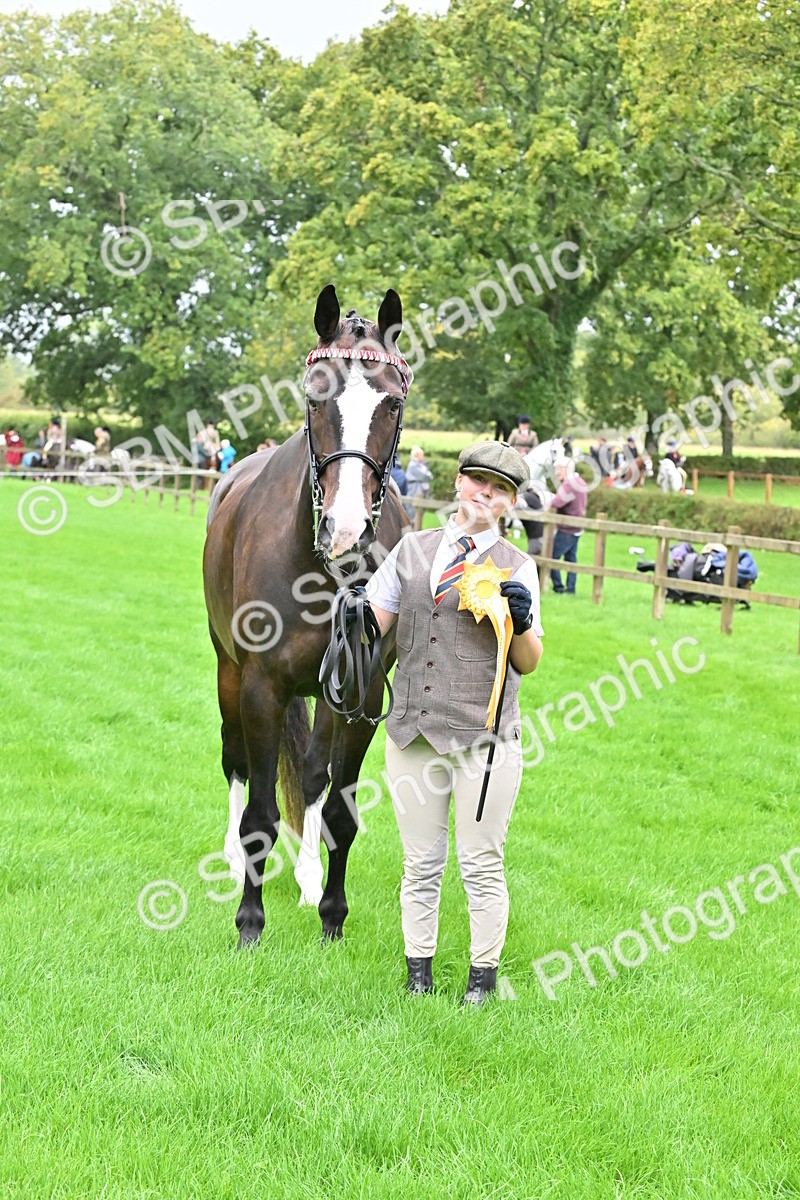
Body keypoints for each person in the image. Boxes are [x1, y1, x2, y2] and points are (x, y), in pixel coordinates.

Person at [365, 441, 544, 1006]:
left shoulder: (519, 567)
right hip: (412, 732)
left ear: (510, 503)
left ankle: (481, 980)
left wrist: (521, 620)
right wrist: (348, 604)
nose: (484, 495)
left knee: (480, 862)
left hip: (484, 740)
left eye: (499, 490)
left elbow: (528, 662)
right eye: (477, 482)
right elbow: (376, 623)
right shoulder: (412, 550)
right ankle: (418, 973)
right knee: (420, 862)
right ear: (459, 482)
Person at [547, 464, 587, 594]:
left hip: (567, 527)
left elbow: (557, 502)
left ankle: (558, 588)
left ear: (566, 468)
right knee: (571, 559)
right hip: (577, 526)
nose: (557, 472)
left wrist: (547, 501)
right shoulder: (580, 481)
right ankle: (571, 589)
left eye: (558, 469)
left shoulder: (569, 484)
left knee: (552, 557)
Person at [405, 444, 432, 523]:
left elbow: (429, 475)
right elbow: (425, 476)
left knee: (420, 511)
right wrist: (427, 475)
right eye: (422, 455)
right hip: (415, 490)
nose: (423, 457)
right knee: (413, 511)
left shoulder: (420, 465)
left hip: (421, 490)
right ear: (417, 455)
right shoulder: (413, 465)